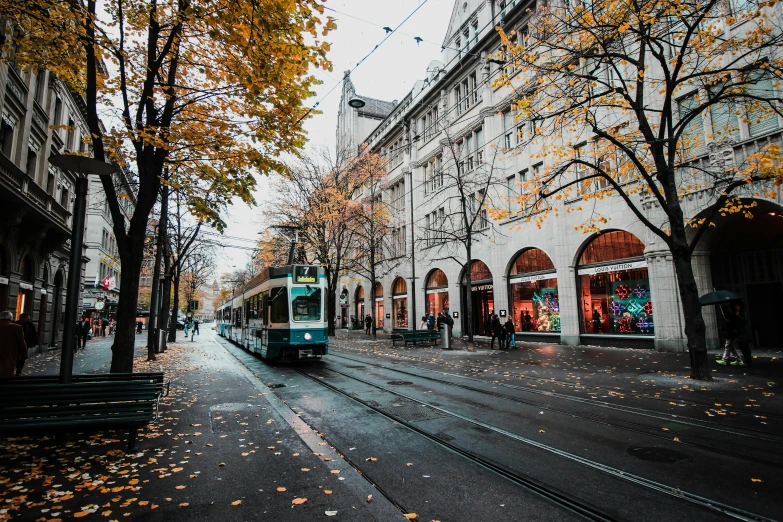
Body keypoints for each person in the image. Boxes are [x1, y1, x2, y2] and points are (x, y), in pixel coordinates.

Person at [0, 311, 27, 376]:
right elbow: (21, 342)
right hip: (9, 353)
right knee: (7, 372)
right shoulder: (16, 327)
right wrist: (24, 354)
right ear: (11, 318)